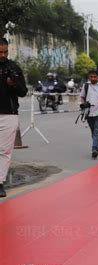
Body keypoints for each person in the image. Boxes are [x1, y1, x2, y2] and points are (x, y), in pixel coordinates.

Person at [0, 38, 27, 197]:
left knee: (4, 151)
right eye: (0, 52)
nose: (3, 55)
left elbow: (23, 92)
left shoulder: (14, 68)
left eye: (5, 52)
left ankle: (0, 182)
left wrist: (14, 84)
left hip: (9, 115)